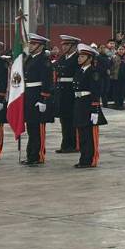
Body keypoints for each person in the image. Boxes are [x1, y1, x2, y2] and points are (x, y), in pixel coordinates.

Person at [21, 32, 54, 167]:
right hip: (29, 95)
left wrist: (44, 98)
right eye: (30, 43)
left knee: (38, 129)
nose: (30, 46)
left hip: (38, 96)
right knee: (31, 128)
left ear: (40, 46)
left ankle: (38, 155)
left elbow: (47, 81)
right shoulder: (29, 58)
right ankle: (31, 155)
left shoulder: (44, 60)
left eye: (33, 44)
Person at [73, 43, 107, 169]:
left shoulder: (94, 72)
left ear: (90, 58)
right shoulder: (79, 71)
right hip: (79, 104)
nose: (79, 58)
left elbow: (96, 91)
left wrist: (94, 108)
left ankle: (91, 159)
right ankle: (83, 159)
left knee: (90, 135)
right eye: (79, 56)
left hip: (89, 105)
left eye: (82, 56)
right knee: (82, 133)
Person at [54, 34, 81, 153]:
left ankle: (74, 144)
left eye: (66, 45)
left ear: (73, 46)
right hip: (62, 92)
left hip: (71, 92)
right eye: (63, 45)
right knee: (64, 119)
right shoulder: (62, 58)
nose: (64, 47)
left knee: (72, 119)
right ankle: (65, 144)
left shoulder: (78, 58)